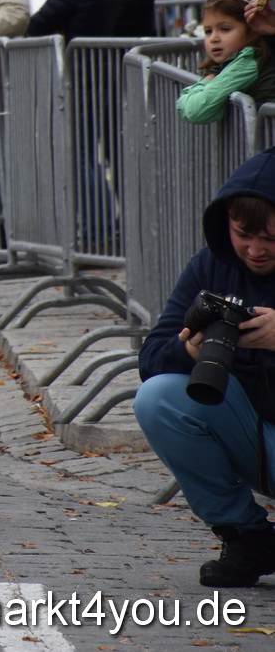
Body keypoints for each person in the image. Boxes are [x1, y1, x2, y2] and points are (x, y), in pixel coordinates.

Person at [134, 149, 275, 587]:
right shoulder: (212, 265)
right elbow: (153, 354)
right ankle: (247, 535)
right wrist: (190, 351)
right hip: (254, 434)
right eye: (243, 234)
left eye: (271, 238)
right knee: (157, 398)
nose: (255, 249)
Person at [178, 0, 275, 124]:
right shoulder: (233, 62)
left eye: (225, 29)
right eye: (208, 31)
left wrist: (204, 82)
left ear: (252, 30)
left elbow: (195, 111)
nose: (214, 38)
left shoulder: (248, 61)